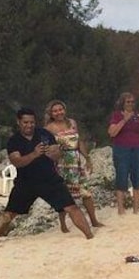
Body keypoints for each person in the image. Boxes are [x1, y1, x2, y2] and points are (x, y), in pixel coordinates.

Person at [0, 107, 93, 242]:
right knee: (8, 214)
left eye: (32, 122)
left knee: (71, 207)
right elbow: (17, 162)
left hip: (49, 179)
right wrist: (34, 154)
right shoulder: (14, 141)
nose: (29, 125)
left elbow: (58, 155)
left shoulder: (44, 134)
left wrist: (53, 152)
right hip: (25, 183)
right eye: (25, 122)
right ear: (19, 122)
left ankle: (90, 237)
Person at [44, 99, 104, 231]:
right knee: (64, 195)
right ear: (51, 113)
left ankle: (94, 220)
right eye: (55, 111)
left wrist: (87, 158)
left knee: (86, 192)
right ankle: (63, 225)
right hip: (62, 164)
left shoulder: (72, 123)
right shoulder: (48, 129)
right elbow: (48, 149)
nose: (59, 112)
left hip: (76, 162)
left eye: (60, 109)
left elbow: (79, 141)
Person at [107, 92, 139, 214]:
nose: (131, 104)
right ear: (122, 103)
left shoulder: (138, 115)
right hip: (121, 148)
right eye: (128, 102)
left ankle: (136, 208)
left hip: (137, 148)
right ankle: (121, 208)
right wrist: (124, 120)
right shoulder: (116, 115)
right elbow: (112, 133)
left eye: (132, 102)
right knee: (121, 175)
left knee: (137, 176)